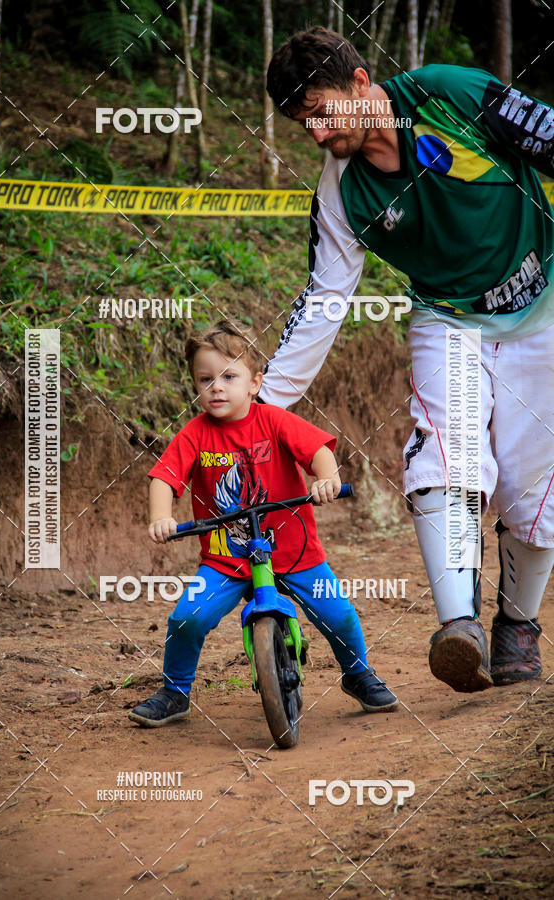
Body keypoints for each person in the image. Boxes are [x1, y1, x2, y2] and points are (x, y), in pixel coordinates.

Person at [260, 26, 554, 693]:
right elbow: (324, 301)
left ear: (362, 85)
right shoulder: (339, 191)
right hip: (448, 316)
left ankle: (517, 625)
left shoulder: (453, 95)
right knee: (441, 458)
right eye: (301, 123)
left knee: (534, 490)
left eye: (321, 111)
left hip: (547, 300)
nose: (315, 133)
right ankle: (460, 629)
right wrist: (262, 407)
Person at [129, 319, 398, 727]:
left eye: (228, 376)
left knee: (338, 614)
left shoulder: (274, 421)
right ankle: (175, 691)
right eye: (205, 379)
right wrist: (161, 517)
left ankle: (358, 674)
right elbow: (164, 478)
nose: (216, 387)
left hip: (295, 551)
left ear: (254, 383)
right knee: (186, 618)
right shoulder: (194, 435)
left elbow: (318, 451)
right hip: (226, 558)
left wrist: (327, 479)